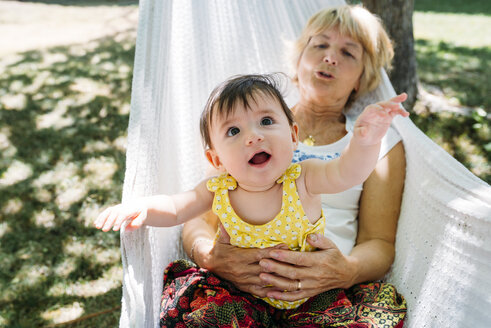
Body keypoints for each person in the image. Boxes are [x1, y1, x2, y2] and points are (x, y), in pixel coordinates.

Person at [163, 4, 407, 327]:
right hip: (240, 287)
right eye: (320, 45)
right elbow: (199, 217)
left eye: (348, 53)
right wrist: (209, 254)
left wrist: (346, 271)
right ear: (298, 59)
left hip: (327, 294)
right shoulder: (249, 130)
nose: (330, 57)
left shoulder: (377, 143)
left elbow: (379, 243)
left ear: (362, 78)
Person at [95, 73, 408, 310]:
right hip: (241, 300)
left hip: (312, 300)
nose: (253, 137)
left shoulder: (304, 177)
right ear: (216, 159)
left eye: (266, 121)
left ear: (293, 134)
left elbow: (348, 172)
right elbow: (177, 208)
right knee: (195, 311)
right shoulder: (218, 189)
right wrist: (142, 208)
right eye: (234, 131)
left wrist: (365, 141)